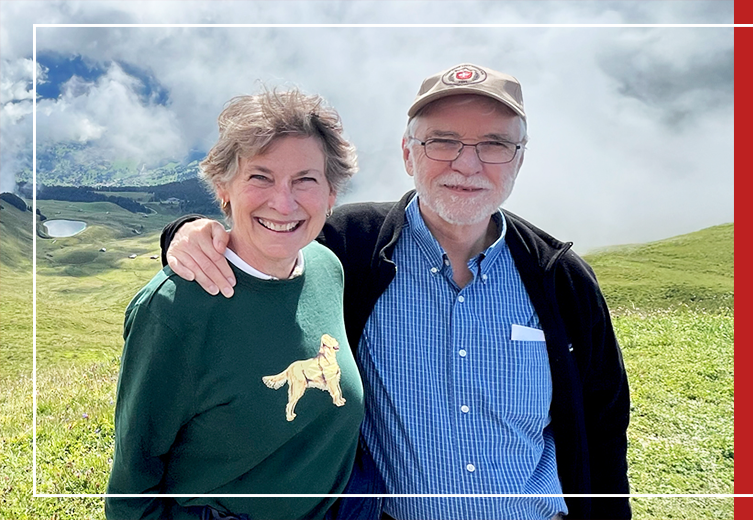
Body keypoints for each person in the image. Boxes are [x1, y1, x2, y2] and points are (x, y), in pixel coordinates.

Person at [162, 63, 631, 520]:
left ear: (519, 160)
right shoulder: (348, 248)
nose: (467, 164)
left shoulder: (561, 279)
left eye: (494, 145)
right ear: (408, 154)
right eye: (442, 142)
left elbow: (603, 424)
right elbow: (264, 242)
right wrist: (186, 233)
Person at [106, 88, 362, 519]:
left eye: (306, 179)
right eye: (259, 177)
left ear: (332, 193)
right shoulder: (174, 308)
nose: (283, 202)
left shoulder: (326, 267)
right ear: (223, 188)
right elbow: (133, 480)